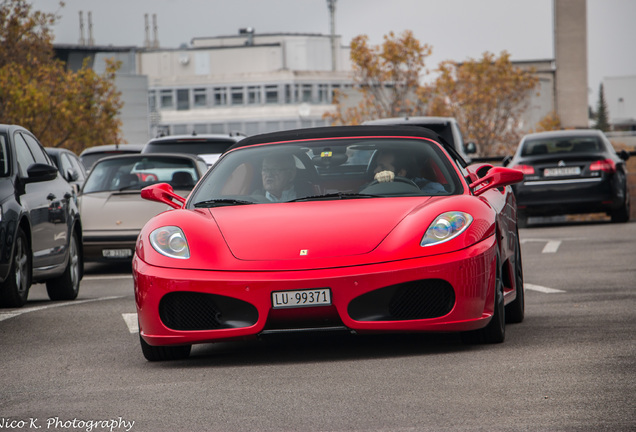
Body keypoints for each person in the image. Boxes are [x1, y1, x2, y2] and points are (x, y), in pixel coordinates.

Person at [373, 149, 446, 194]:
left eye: (383, 167)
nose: (375, 171)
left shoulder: (430, 189)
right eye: (376, 165)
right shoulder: (371, 186)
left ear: (401, 173)